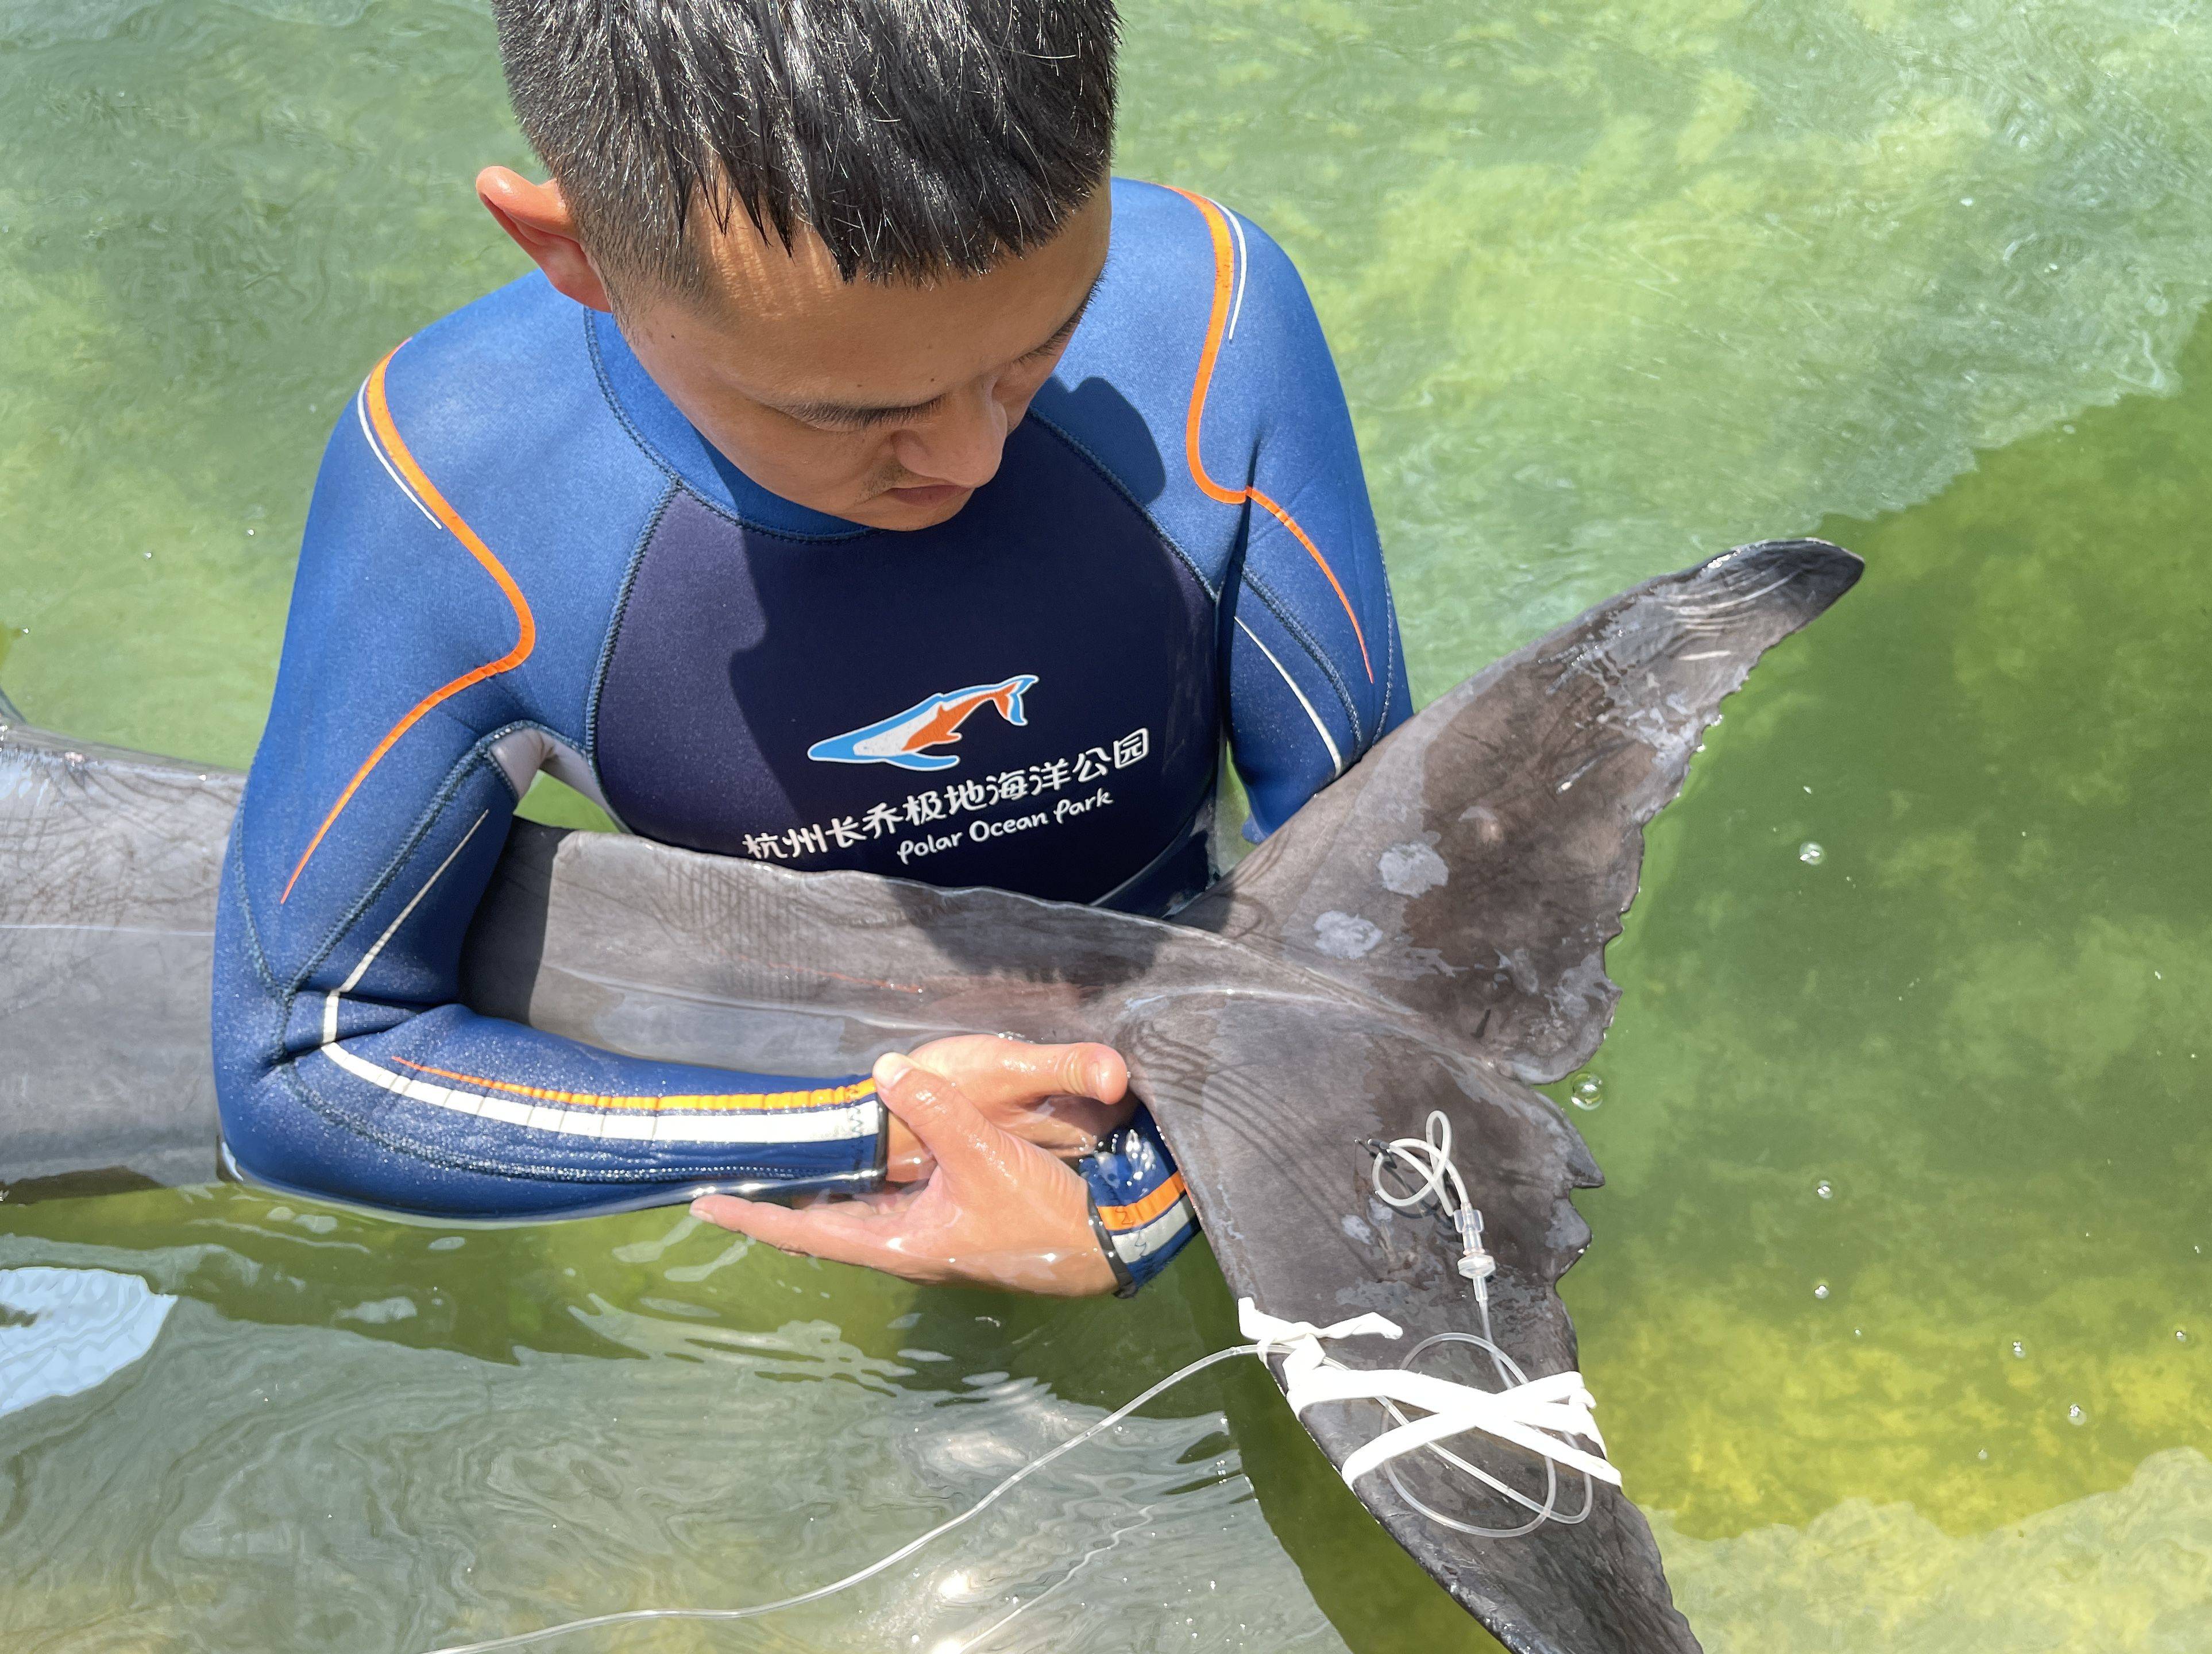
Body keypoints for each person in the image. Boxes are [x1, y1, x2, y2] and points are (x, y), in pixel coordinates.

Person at [211, 0, 1409, 1296]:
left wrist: (1151, 1197)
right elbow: (305, 1065)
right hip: (826, 1134)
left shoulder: (1211, 316)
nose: (973, 456)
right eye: (857, 413)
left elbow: (1395, 907)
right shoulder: (458, 492)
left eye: (1041, 345)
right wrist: (871, 1134)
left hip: (1213, 1039)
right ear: (576, 254)